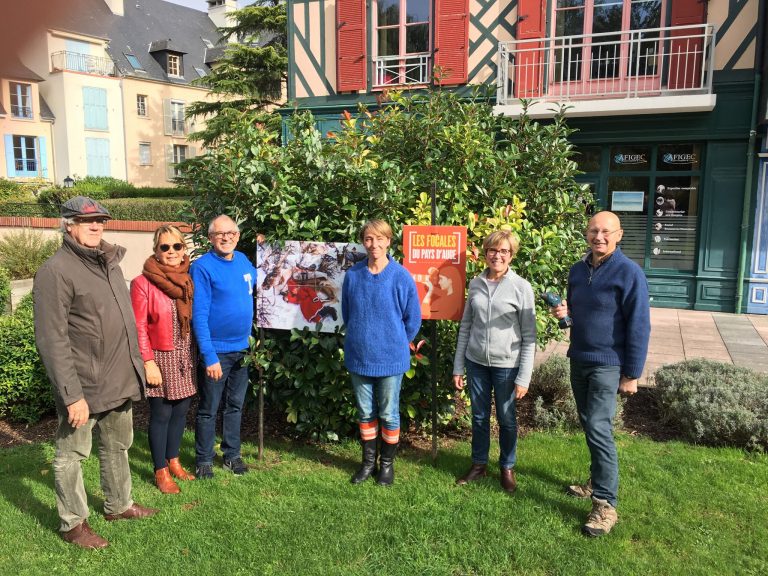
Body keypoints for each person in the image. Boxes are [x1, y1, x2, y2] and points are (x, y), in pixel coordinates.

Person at [33, 196, 158, 550]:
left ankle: (119, 505)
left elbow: (125, 324)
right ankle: (73, 524)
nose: (96, 226)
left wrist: (138, 368)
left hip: (118, 379)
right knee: (71, 455)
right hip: (84, 387)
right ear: (68, 225)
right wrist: (72, 395)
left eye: (100, 220)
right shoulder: (55, 271)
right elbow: (51, 340)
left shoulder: (110, 263)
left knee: (118, 445)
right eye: (87, 221)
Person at [550, 210, 650, 537]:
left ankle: (605, 504)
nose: (599, 237)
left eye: (606, 232)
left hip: (609, 363)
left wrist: (631, 373)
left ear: (619, 235)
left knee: (598, 426)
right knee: (588, 423)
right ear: (586, 233)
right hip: (579, 357)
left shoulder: (629, 273)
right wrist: (565, 314)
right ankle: (596, 482)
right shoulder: (578, 270)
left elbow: (638, 326)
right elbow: (579, 314)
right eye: (594, 231)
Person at [452, 230, 536, 493]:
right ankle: (479, 464)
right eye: (492, 250)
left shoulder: (521, 287)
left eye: (503, 251)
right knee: (478, 417)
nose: (497, 256)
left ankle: (507, 467)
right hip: (476, 362)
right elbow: (465, 326)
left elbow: (529, 336)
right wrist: (458, 366)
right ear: (485, 253)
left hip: (507, 366)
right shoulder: (475, 284)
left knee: (507, 418)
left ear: (511, 255)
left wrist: (524, 377)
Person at [342, 219, 421, 486]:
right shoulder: (353, 275)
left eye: (379, 239)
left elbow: (413, 320)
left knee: (389, 414)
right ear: (363, 242)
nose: (373, 244)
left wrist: (396, 342)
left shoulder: (401, 277)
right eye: (368, 239)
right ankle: (367, 464)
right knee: (365, 413)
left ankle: (386, 466)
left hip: (390, 359)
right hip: (359, 357)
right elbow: (348, 313)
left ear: (389, 241)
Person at [130, 225, 197, 494]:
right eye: (164, 247)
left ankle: (174, 460)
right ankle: (160, 471)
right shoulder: (142, 282)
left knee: (181, 411)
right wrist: (147, 362)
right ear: (156, 252)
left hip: (184, 353)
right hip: (159, 356)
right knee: (161, 413)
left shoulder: (187, 279)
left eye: (176, 246)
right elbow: (138, 326)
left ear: (184, 250)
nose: (171, 252)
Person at [191, 215, 258, 479]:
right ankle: (204, 459)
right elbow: (200, 314)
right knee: (209, 408)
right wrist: (209, 356)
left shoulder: (242, 260)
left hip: (242, 349)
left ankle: (232, 456)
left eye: (231, 233)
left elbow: (261, 278)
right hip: (217, 352)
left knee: (235, 406)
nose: (226, 237)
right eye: (220, 234)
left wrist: (272, 251)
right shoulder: (203, 267)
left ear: (238, 236)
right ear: (210, 238)